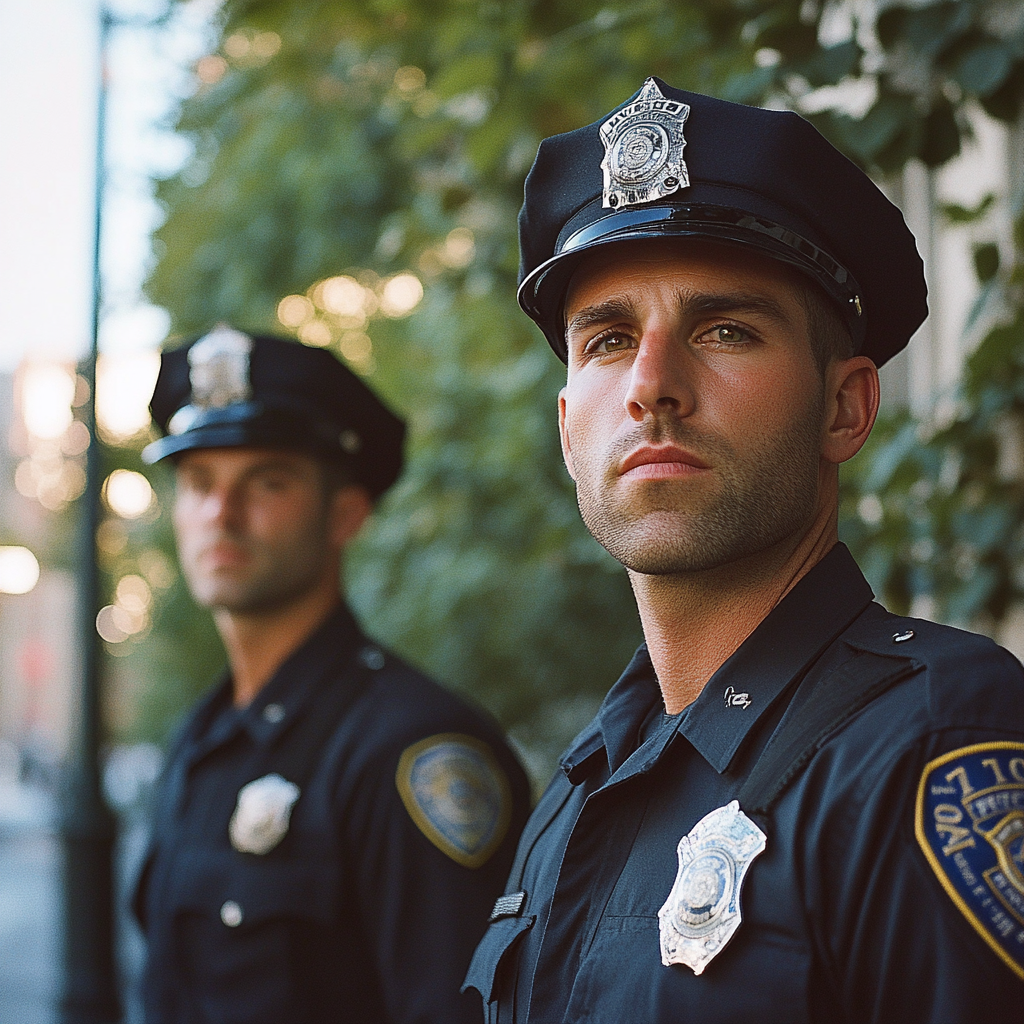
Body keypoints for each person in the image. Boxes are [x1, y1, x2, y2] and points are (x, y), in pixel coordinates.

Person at [464, 78, 1024, 1023]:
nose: (652, 387)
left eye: (725, 330)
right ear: (568, 429)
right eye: (606, 340)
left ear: (844, 406)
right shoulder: (579, 790)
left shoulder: (934, 739)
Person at [132, 328, 531, 1024]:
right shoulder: (201, 738)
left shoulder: (412, 748)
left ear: (343, 514)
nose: (220, 515)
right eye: (198, 484)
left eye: (268, 482)